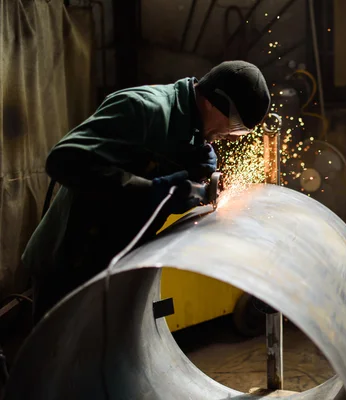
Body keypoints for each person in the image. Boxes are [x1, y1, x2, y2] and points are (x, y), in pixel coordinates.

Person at [21, 60, 271, 324]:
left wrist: (194, 168)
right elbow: (63, 160)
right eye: (235, 126)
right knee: (60, 361)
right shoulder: (142, 108)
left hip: (116, 266)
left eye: (241, 132)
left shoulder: (192, 128)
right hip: (70, 266)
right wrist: (153, 190)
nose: (233, 137)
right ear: (213, 100)